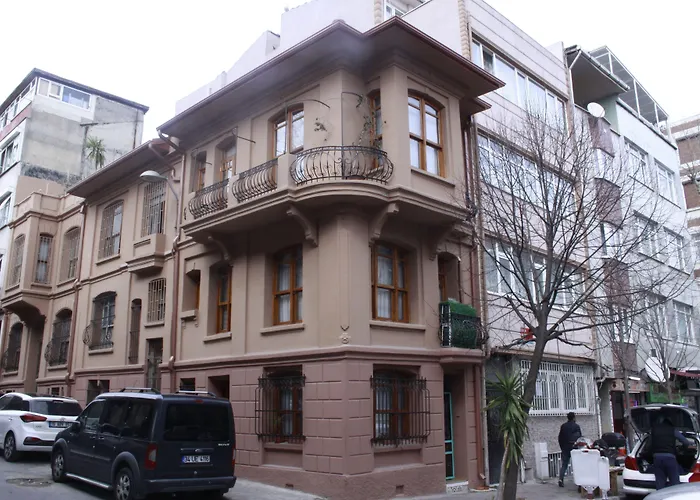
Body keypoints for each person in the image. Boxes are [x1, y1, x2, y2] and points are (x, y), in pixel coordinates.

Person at [650, 416, 691, 490]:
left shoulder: (654, 430)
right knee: (675, 483)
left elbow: (650, 444)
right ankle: (674, 495)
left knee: (660, 483)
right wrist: (683, 448)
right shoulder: (673, 430)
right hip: (669, 458)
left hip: (657, 458)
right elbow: (686, 442)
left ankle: (660, 496)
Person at [558, 412, 582, 487]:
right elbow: (580, 438)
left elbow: (560, 438)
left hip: (565, 447)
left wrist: (562, 447)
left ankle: (561, 479)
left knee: (564, 464)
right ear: (574, 418)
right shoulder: (576, 426)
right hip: (574, 447)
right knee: (577, 465)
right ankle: (579, 481)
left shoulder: (563, 426)